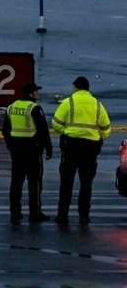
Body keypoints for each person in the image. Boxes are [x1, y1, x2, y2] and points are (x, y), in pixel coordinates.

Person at [51, 75, 112, 225]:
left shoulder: (68, 102)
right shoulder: (98, 104)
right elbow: (106, 128)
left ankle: (62, 215)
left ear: (76, 87)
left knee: (66, 182)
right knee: (86, 183)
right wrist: (98, 137)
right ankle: (84, 216)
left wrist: (65, 132)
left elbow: (55, 123)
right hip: (90, 148)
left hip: (71, 146)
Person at [2, 81, 52, 222]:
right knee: (34, 183)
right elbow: (43, 130)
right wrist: (47, 147)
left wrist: (10, 146)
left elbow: (5, 130)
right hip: (32, 151)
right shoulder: (34, 108)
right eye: (36, 91)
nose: (38, 93)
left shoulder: (11, 107)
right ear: (31, 93)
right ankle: (35, 213)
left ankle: (15, 212)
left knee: (16, 182)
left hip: (16, 151)